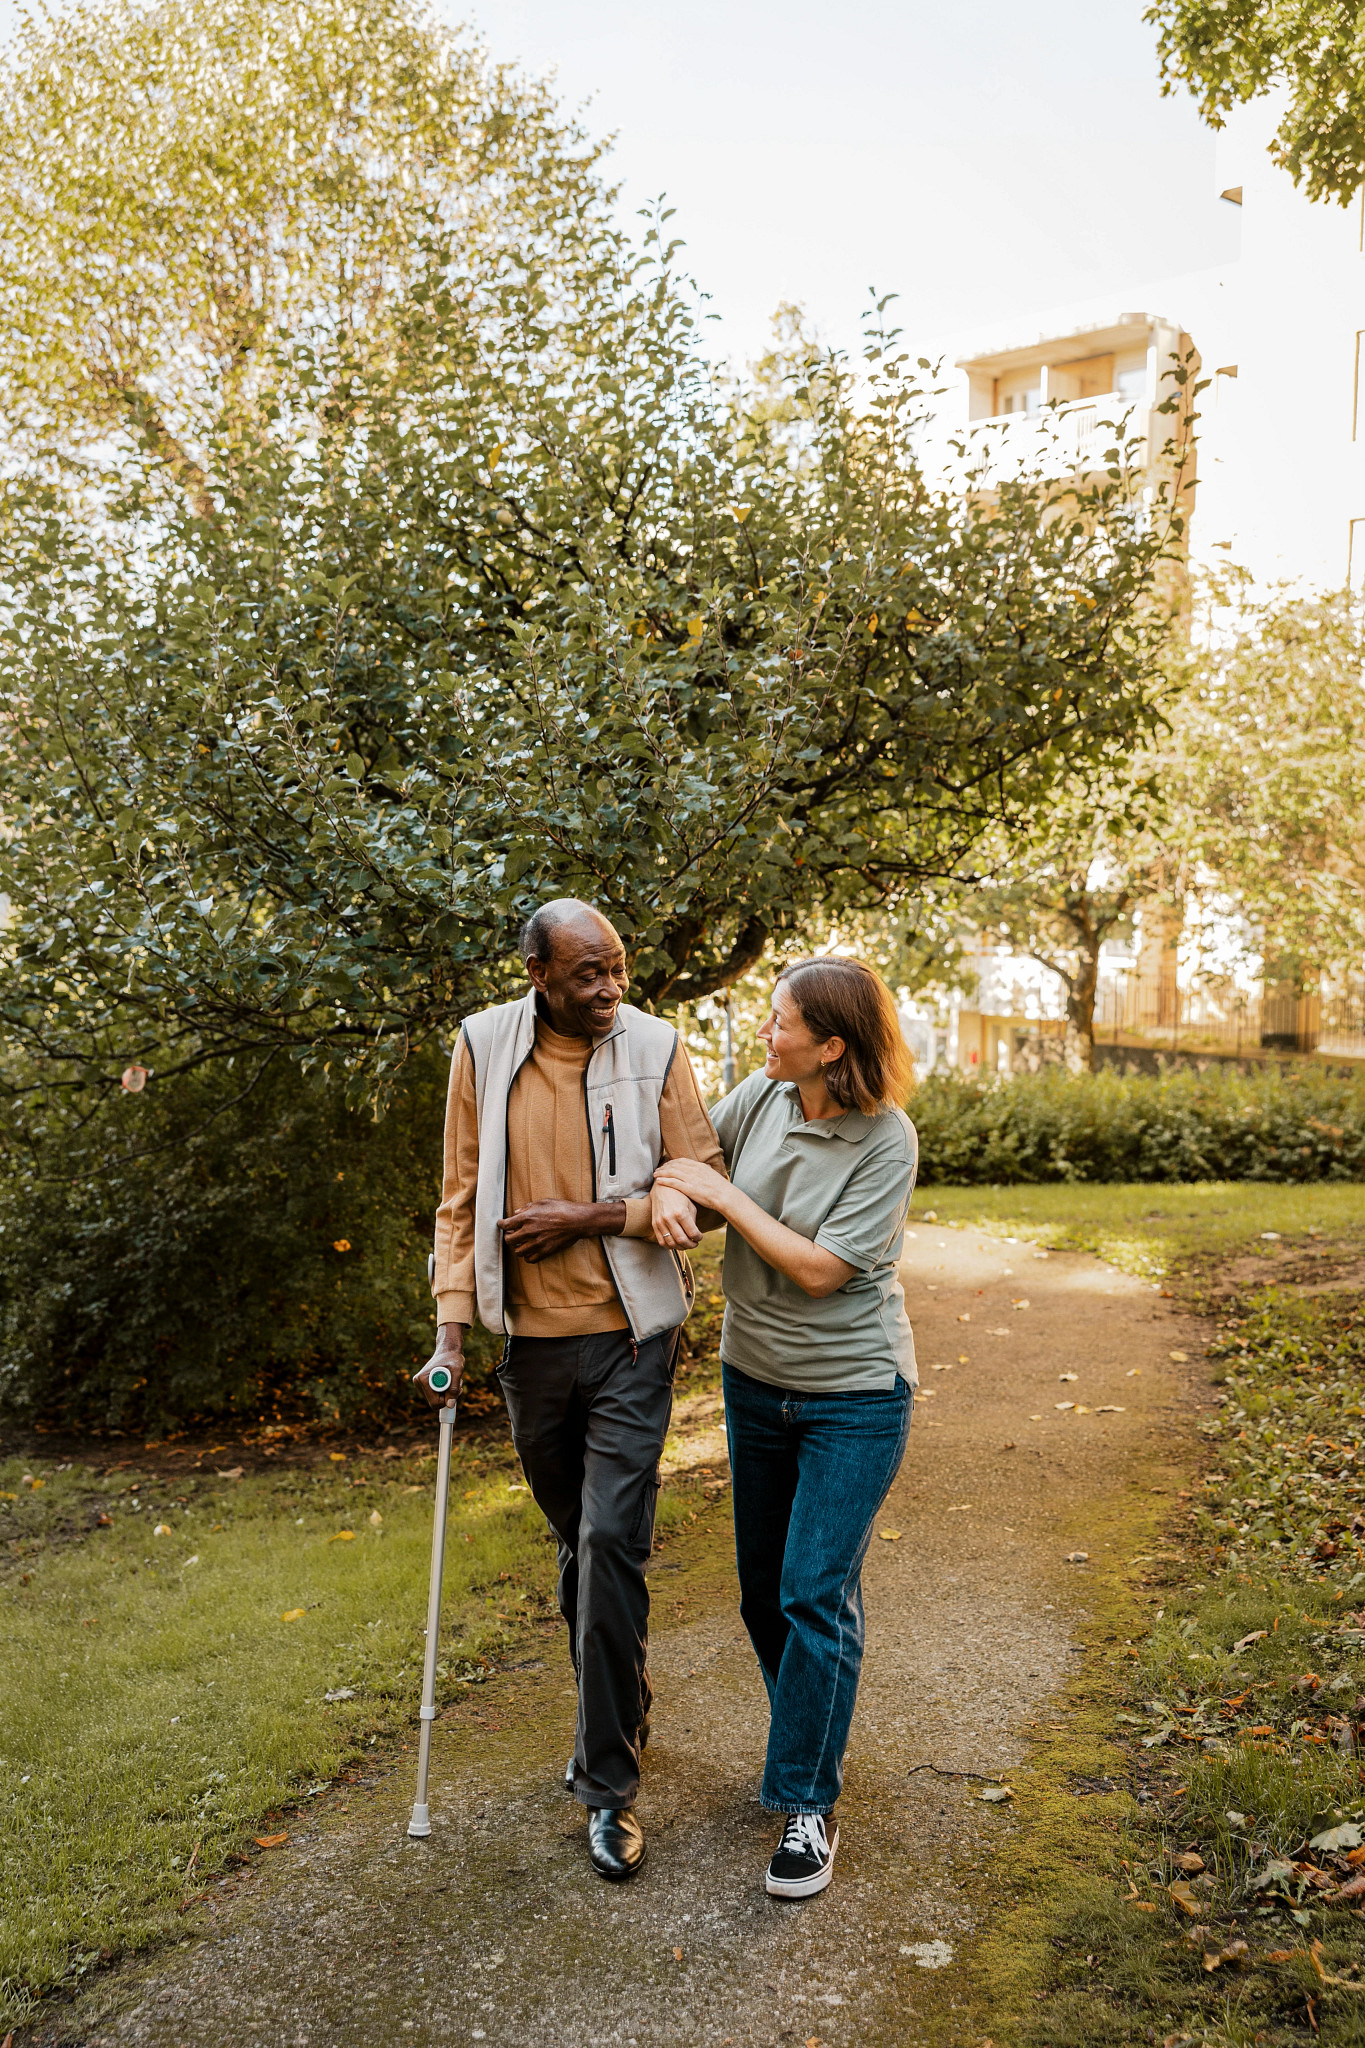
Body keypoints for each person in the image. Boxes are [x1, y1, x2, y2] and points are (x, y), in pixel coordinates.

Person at [414, 899, 724, 1882]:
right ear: (538, 973)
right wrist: (451, 1327)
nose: (609, 989)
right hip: (534, 1351)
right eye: (587, 973)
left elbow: (700, 1176)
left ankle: (607, 1786)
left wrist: (609, 1212)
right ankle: (621, 1702)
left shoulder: (658, 1044)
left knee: (607, 1538)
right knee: (579, 1549)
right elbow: (460, 1196)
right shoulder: (482, 1044)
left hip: (634, 1337)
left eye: (618, 969)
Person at [652, 956, 917, 1900]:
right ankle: (811, 1736)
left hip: (854, 1395)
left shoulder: (886, 1140)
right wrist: (681, 1193)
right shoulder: (762, 1098)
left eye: (779, 1023)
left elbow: (817, 1270)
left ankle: (808, 1803)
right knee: (763, 1598)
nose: (765, 1035)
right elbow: (683, 1163)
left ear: (830, 1046)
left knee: (814, 1592)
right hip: (755, 1386)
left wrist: (719, 1199)